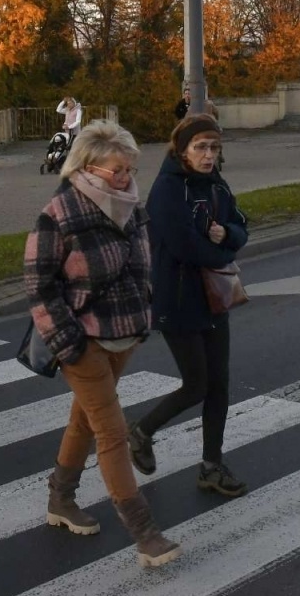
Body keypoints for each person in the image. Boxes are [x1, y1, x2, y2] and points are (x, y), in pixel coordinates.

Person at [25, 119, 180, 568]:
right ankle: (145, 534)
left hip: (123, 333)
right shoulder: (59, 214)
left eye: (130, 168)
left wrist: (144, 311)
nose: (127, 178)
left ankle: (60, 498)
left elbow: (142, 267)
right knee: (112, 432)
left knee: (85, 419)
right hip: (82, 338)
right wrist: (67, 342)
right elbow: (39, 285)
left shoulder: (132, 208)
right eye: (118, 170)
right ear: (88, 168)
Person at [128, 115, 251, 497]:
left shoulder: (216, 184)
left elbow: (241, 224)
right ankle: (141, 431)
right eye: (201, 147)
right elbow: (185, 247)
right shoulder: (167, 190)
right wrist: (224, 252)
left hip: (214, 297)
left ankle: (211, 467)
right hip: (178, 299)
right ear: (182, 150)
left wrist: (227, 234)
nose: (209, 155)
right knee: (197, 385)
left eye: (214, 147)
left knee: (219, 386)